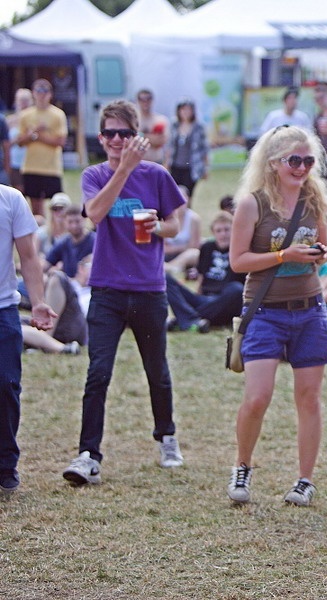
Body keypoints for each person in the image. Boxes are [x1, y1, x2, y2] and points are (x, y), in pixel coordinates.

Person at [62, 100, 186, 486]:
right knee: (98, 372)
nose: (117, 140)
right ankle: (89, 455)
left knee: (157, 371)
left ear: (137, 137)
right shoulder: (94, 174)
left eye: (125, 134)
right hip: (108, 289)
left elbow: (175, 225)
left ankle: (167, 437)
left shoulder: (157, 175)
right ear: (101, 138)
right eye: (110, 134)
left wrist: (158, 226)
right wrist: (124, 170)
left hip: (149, 288)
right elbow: (95, 214)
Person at [225, 125, 327, 506]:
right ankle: (242, 466)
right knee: (257, 397)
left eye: (308, 160)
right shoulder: (253, 203)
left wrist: (320, 254)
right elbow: (238, 262)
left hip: (309, 309)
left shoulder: (313, 198)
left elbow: (326, 251)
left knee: (309, 398)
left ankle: (305, 480)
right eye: (294, 160)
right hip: (265, 311)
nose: (302, 167)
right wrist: (283, 256)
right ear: (273, 163)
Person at [1, 183, 56, 494]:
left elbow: (29, 255)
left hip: (3, 307)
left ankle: (6, 465)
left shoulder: (10, 199)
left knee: (6, 384)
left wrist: (37, 301)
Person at [165, 211, 244, 332]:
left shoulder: (240, 250)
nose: (223, 234)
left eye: (227, 230)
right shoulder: (207, 247)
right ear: (213, 233)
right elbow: (201, 279)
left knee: (237, 289)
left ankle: (185, 318)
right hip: (203, 299)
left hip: (224, 301)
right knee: (165, 278)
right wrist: (196, 294)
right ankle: (191, 318)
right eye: (219, 231)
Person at [16, 79, 67, 218]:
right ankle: (39, 235)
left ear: (50, 94)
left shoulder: (58, 114)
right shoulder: (26, 115)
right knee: (36, 208)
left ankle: (57, 234)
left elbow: (60, 141)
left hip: (51, 168)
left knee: (57, 207)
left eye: (45, 91)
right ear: (33, 93)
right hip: (31, 166)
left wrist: (37, 135)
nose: (42, 94)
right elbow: (19, 141)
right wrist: (35, 133)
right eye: (38, 91)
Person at [22, 258, 90, 355]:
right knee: (10, 323)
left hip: (75, 325)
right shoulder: (73, 283)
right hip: (58, 325)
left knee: (58, 276)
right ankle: (54, 345)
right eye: (88, 266)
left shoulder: (96, 291)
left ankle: (46, 338)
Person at [167, 99, 208, 199]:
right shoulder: (174, 125)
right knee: (174, 193)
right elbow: (169, 146)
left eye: (188, 109)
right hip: (175, 165)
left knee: (187, 194)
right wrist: (166, 163)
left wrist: (205, 168)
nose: (185, 112)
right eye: (183, 109)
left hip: (191, 167)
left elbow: (204, 149)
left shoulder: (199, 127)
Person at [44, 205, 96, 277]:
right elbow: (46, 264)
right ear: (65, 222)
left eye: (77, 221)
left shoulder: (94, 241)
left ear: (84, 220)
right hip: (68, 284)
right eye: (70, 222)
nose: (74, 226)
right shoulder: (62, 242)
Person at [6, 88, 35, 193]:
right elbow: (6, 142)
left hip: (31, 162)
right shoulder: (10, 121)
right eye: (21, 100)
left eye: (26, 100)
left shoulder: (35, 120)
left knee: (33, 193)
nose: (24, 103)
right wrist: (21, 138)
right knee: (17, 192)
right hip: (15, 162)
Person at [136, 89, 170, 165]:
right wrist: (152, 137)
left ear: (152, 100)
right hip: (137, 163)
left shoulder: (161, 120)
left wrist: (141, 135)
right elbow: (131, 140)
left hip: (156, 162)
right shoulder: (133, 120)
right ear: (138, 101)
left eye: (148, 99)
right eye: (142, 99)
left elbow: (161, 141)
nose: (145, 102)